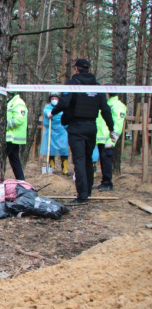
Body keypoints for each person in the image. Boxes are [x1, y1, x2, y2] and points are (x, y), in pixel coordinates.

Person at [49, 59, 114, 205]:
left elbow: (64, 102)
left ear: (76, 70)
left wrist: (53, 112)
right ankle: (87, 191)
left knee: (79, 160)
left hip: (77, 126)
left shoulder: (73, 84)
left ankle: (82, 196)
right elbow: (105, 109)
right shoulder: (97, 86)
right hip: (91, 127)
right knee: (87, 160)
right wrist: (111, 128)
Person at [95, 92, 127, 191]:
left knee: (106, 161)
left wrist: (112, 140)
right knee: (103, 162)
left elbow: (118, 125)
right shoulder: (106, 103)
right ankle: (104, 182)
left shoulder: (118, 105)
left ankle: (108, 183)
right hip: (100, 139)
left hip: (108, 139)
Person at [40, 93, 70, 175]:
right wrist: (50, 114)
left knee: (64, 150)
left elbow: (66, 117)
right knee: (51, 150)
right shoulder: (47, 107)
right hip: (51, 131)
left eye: (56, 98)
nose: (54, 100)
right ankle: (51, 168)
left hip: (61, 131)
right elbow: (48, 114)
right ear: (50, 99)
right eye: (52, 98)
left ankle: (64, 169)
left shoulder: (63, 107)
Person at [6, 91, 27, 180]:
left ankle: (21, 181)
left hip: (12, 137)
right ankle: (21, 181)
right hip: (11, 137)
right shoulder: (11, 102)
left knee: (0, 160)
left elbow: (19, 119)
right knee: (15, 160)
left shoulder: (18, 102)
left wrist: (4, 126)